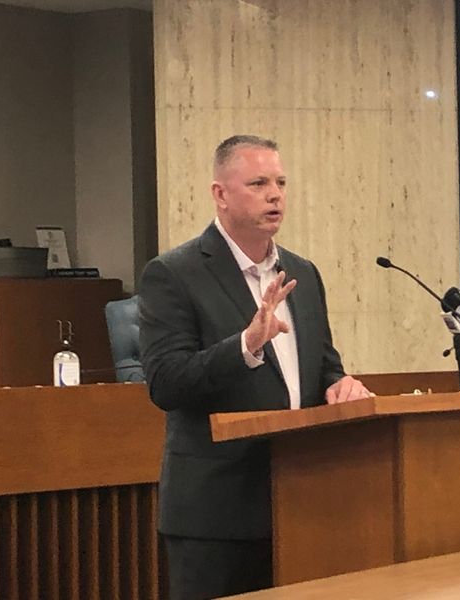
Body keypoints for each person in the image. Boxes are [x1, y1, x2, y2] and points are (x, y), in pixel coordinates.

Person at [138, 135, 372, 600]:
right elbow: (166, 383)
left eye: (281, 182)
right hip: (215, 513)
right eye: (259, 182)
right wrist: (245, 345)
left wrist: (340, 384)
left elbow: (324, 367)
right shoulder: (174, 273)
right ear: (220, 194)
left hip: (299, 502)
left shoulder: (301, 272)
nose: (276, 194)